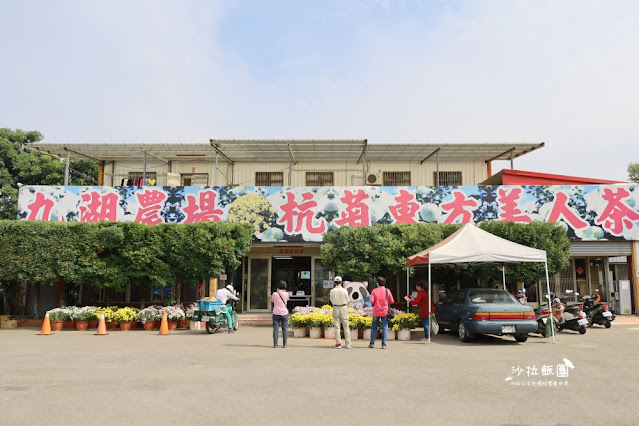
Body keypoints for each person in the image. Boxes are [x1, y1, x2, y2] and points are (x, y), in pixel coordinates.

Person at [369, 276, 394, 349]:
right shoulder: (387, 290)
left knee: (374, 327)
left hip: (376, 311)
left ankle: (372, 343)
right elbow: (392, 301)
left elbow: (372, 301)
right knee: (385, 327)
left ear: (377, 283)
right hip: (385, 311)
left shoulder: (374, 291)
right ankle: (384, 344)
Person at [329, 276, 351, 349]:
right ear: (341, 282)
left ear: (335, 283)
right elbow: (348, 300)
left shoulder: (332, 291)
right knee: (346, 326)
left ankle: (338, 343)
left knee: (337, 327)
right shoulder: (344, 291)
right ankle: (348, 344)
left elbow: (331, 300)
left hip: (335, 307)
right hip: (343, 307)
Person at [271, 280, 289, 348]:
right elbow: (287, 300)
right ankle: (285, 344)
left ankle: (275, 344)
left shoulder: (275, 294)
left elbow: (272, 300)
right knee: (285, 328)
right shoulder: (286, 294)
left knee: (275, 329)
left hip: (276, 312)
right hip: (284, 312)